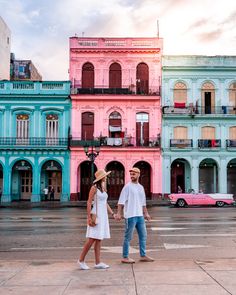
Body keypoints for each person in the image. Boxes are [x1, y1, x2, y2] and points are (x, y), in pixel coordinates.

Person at [78, 169, 115, 270]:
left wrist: (112, 213)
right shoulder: (94, 188)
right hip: (96, 215)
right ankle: (81, 260)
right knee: (92, 238)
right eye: (105, 176)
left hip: (103, 216)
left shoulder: (103, 188)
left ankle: (98, 262)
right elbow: (89, 202)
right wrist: (89, 217)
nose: (106, 177)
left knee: (99, 239)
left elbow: (105, 203)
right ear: (101, 177)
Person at [116, 167, 154, 264]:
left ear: (138, 174)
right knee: (128, 237)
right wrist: (119, 213)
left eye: (134, 174)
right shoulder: (127, 187)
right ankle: (125, 257)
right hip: (130, 216)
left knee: (143, 235)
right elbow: (121, 202)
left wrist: (146, 214)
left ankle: (143, 255)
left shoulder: (140, 187)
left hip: (139, 216)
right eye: (131, 174)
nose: (132, 176)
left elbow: (143, 203)